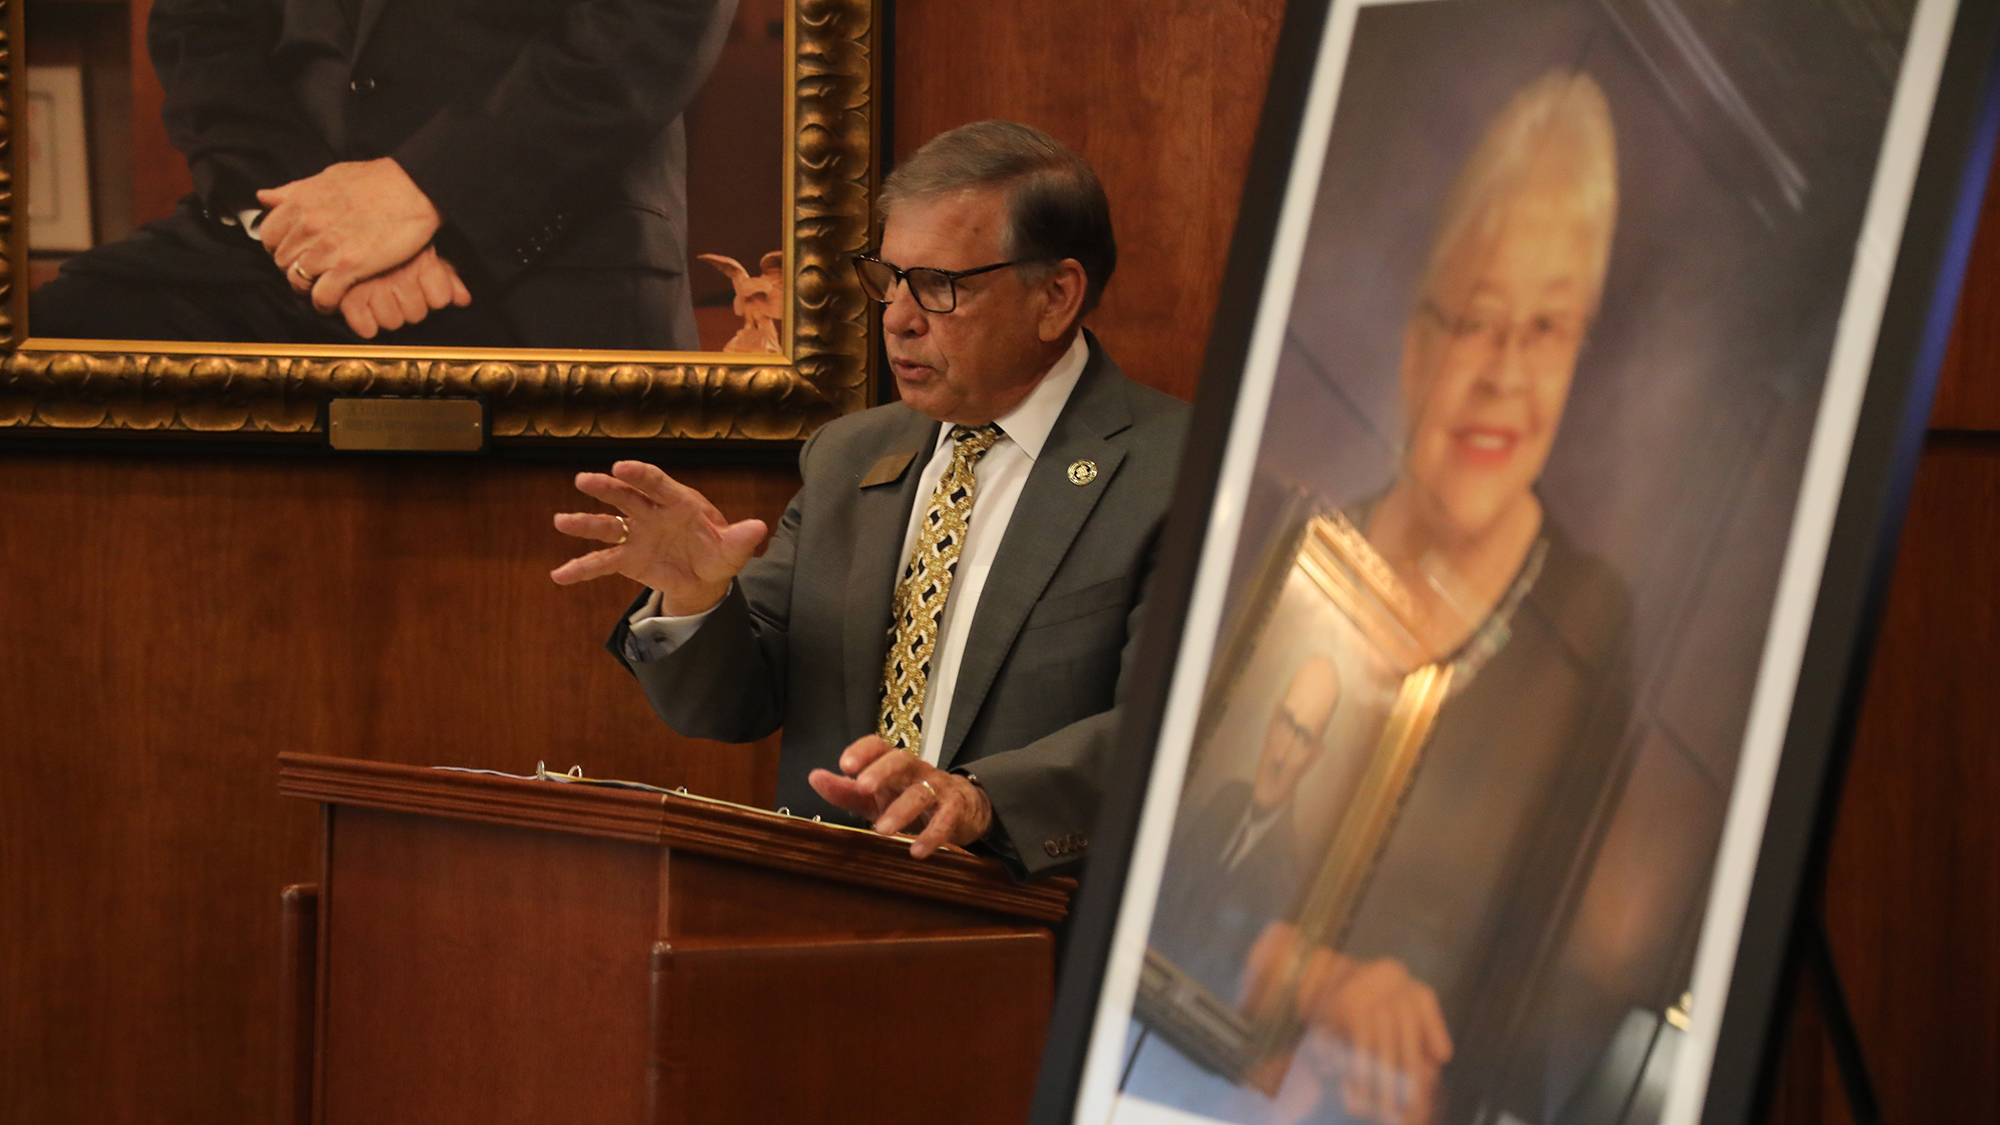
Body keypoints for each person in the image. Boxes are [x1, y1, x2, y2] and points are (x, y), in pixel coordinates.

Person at [1123, 69, 1633, 1125]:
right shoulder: (1297, 553)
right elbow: (1161, 876)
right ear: (1411, 343)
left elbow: (1541, 1013)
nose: (1502, 372)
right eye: (1474, 320)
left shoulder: (1588, 632)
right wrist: (1299, 975)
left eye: (1545, 330)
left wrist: (1420, 1082)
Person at [551, 121, 1189, 876]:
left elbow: (1183, 729)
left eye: (939, 287)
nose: (897, 318)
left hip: (1034, 934)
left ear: (1055, 296)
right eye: (889, 279)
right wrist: (692, 597)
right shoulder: (848, 456)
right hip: (828, 924)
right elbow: (731, 704)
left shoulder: (1180, 469)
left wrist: (982, 800)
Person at [29, 0, 732, 348]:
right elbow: (202, 30)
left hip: (554, 248)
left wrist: (427, 188)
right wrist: (318, 229)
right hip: (272, 232)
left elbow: (655, 20)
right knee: (40, 350)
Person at [1150, 655, 1342, 1003]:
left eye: (1301, 737)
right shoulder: (1225, 800)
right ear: (1272, 720)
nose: (1280, 754)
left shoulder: (1288, 876)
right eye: (1285, 722)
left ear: (1314, 755)